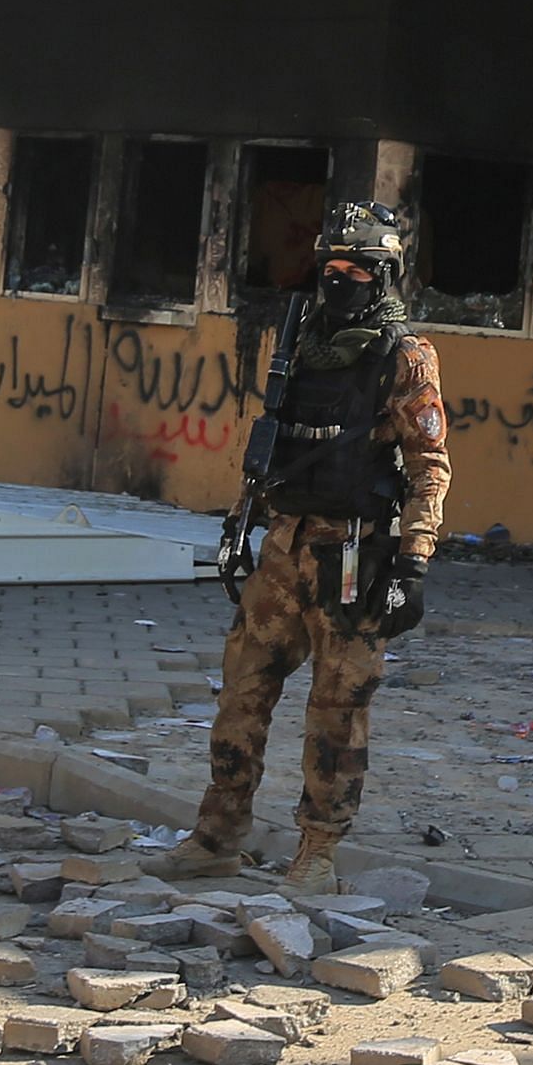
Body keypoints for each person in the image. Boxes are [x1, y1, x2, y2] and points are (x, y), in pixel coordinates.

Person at [165, 198, 450, 893]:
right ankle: (217, 836)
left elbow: (430, 466)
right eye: (331, 265)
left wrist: (413, 562)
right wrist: (242, 524)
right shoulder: (298, 337)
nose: (339, 278)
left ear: (383, 277)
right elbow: (273, 442)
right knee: (241, 695)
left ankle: (317, 853)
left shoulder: (404, 356)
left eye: (356, 268)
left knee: (337, 713)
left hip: (352, 558)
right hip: (284, 547)